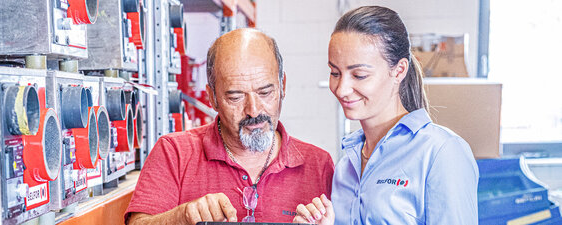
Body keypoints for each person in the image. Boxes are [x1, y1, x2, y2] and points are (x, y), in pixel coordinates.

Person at [125, 28, 335, 225]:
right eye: (235, 97)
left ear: (282, 86)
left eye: (265, 93)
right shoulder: (174, 153)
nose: (253, 110)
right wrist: (182, 216)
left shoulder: (319, 165)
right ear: (212, 97)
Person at [293, 6, 479, 225]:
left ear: (399, 71)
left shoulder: (441, 152)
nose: (341, 89)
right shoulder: (346, 166)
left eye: (359, 75)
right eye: (335, 73)